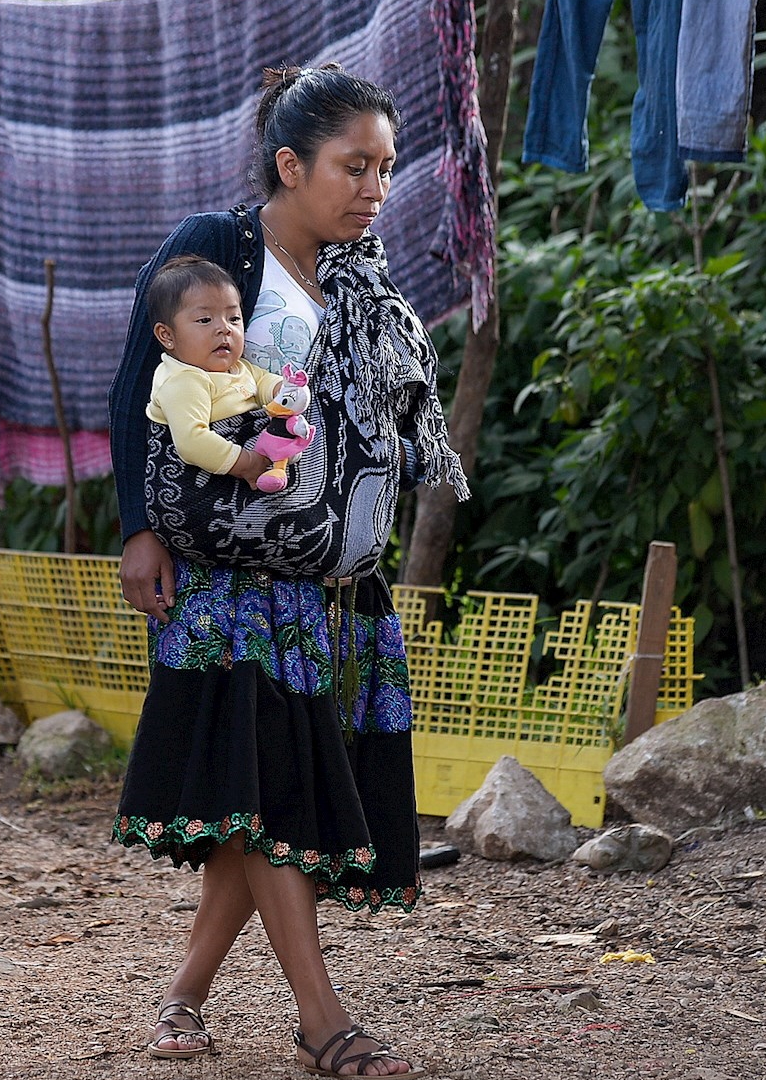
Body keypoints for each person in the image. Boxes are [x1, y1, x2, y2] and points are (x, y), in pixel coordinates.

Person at [107, 64, 469, 1078]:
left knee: (259, 796)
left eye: (386, 168)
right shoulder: (220, 249)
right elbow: (138, 382)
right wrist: (138, 529)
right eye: (355, 166)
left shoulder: (360, 273)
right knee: (266, 793)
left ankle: (182, 997)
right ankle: (323, 1021)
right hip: (234, 585)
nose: (375, 188)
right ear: (290, 165)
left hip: (333, 588)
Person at [141, 255, 281, 483]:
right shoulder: (182, 380)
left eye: (234, 318)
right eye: (205, 320)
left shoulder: (239, 367)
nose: (224, 329)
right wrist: (246, 463)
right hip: (207, 480)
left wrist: (282, 391)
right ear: (167, 335)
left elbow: (263, 382)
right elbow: (192, 441)